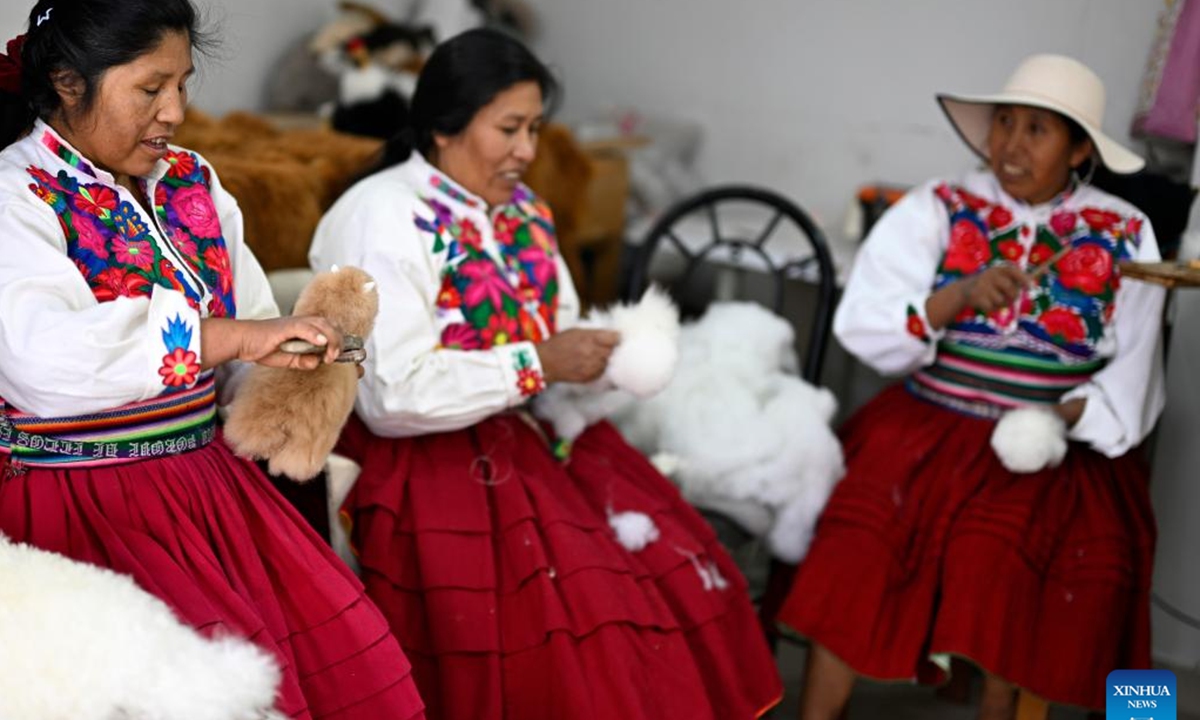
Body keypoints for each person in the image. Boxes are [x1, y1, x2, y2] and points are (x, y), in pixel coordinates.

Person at [309, 28, 783, 720]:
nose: (528, 151)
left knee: (671, 577)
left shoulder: (526, 214)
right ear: (444, 126)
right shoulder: (380, 215)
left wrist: (600, 361)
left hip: (531, 434)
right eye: (509, 128)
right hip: (424, 460)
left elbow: (554, 335)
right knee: (563, 630)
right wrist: (538, 362)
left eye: (534, 128)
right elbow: (390, 396)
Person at [0, 2, 426, 718]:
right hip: (85, 503)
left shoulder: (192, 184)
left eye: (183, 85)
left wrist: (297, 355)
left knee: (325, 677)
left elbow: (249, 322)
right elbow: (43, 362)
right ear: (70, 84)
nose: (175, 112)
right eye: (150, 88)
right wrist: (227, 338)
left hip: (209, 490)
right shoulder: (16, 193)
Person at [776, 54, 1165, 718]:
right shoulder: (940, 205)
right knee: (855, 545)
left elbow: (1133, 379)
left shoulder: (1127, 234)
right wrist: (953, 298)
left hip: (1049, 444)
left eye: (1037, 130)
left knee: (1004, 567)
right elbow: (863, 323)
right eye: (1003, 124)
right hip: (926, 424)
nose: (1010, 144)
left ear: (1079, 150)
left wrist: (1052, 422)